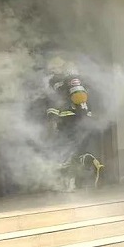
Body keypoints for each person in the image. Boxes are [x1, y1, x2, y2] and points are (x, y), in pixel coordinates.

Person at [45, 56, 104, 191]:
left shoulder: (58, 84)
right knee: (80, 151)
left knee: (66, 152)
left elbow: (55, 103)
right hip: (85, 120)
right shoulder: (82, 83)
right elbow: (91, 101)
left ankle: (67, 185)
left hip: (67, 121)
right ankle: (94, 163)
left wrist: (52, 119)